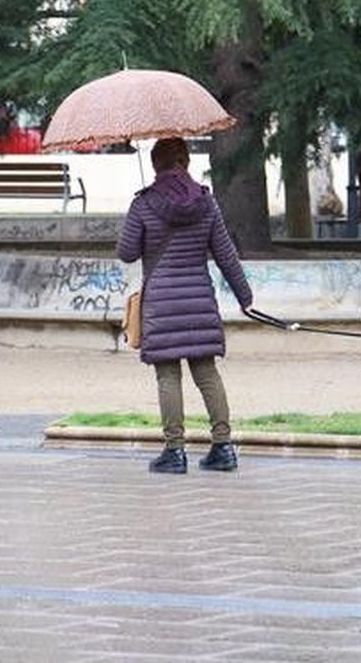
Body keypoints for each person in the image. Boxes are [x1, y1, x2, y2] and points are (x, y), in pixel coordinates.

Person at [116, 136, 253, 474]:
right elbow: (225, 255)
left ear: (155, 164)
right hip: (199, 301)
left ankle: (174, 452)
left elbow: (127, 252)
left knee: (167, 375)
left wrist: (137, 214)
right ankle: (223, 447)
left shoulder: (144, 203)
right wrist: (245, 298)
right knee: (207, 372)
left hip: (161, 304)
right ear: (186, 162)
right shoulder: (206, 202)